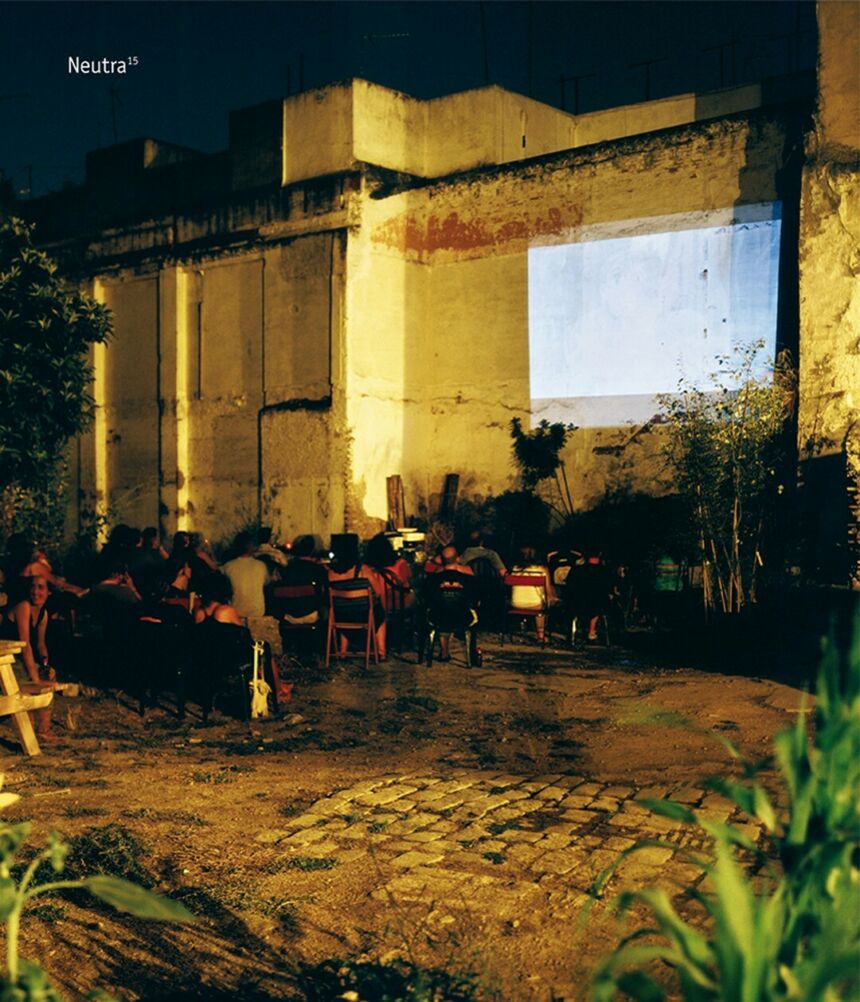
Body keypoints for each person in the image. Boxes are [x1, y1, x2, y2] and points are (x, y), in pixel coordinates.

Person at [1, 575, 57, 742]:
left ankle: (43, 731)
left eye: (41, 588)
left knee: (50, 677)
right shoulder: (23, 607)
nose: (36, 592)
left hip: (20, 660)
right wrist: (35, 679)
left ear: (49, 592)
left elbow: (40, 645)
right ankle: (29, 732)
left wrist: (46, 666)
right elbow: (26, 646)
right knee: (31, 685)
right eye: (33, 587)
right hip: (7, 658)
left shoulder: (43, 614)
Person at [327, 534, 386, 659]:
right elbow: (379, 591)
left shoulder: (330, 573)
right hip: (364, 616)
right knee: (381, 614)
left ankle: (343, 651)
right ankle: (381, 652)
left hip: (341, 617)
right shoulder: (363, 570)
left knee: (344, 610)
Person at [424, 546, 480, 662]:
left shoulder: (433, 578)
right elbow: (475, 599)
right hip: (463, 618)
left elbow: (428, 599)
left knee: (441, 610)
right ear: (458, 559)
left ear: (441, 559)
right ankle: (472, 655)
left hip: (437, 618)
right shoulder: (468, 577)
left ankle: (444, 652)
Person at [509, 546, 556, 643]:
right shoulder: (542, 569)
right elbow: (548, 591)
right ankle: (541, 634)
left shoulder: (515, 568)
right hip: (535, 605)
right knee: (544, 604)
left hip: (516, 603)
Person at [221, 532, 269, 620]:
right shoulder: (261, 566)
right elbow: (267, 582)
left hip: (236, 613)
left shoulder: (228, 566)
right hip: (258, 613)